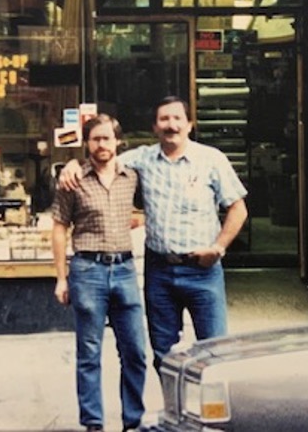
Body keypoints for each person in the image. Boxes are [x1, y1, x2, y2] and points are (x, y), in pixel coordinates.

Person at [59, 95, 248, 372]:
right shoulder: (142, 159)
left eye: (177, 119)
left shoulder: (211, 159)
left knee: (215, 350)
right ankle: (174, 411)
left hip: (203, 271)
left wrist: (218, 248)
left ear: (190, 124)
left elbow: (238, 208)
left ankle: (213, 414)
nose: (171, 125)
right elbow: (102, 159)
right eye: (164, 119)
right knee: (163, 352)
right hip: (160, 271)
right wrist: (72, 165)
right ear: (155, 127)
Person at [52, 115, 146, 432]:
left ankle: (132, 421)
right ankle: (93, 423)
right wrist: (61, 277)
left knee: (134, 350)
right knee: (89, 353)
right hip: (87, 270)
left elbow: (151, 209)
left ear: (117, 141)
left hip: (124, 269)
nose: (101, 145)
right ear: (87, 143)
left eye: (107, 139)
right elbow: (59, 228)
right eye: (95, 139)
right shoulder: (73, 180)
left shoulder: (132, 176)